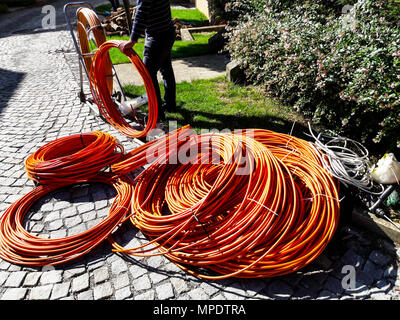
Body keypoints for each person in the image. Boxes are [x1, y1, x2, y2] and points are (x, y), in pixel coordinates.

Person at [118, 0, 177, 121]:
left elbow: (141, 13)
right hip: (167, 31)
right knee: (166, 69)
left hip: (157, 37)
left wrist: (132, 40)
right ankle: (170, 105)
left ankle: (157, 114)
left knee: (148, 74)